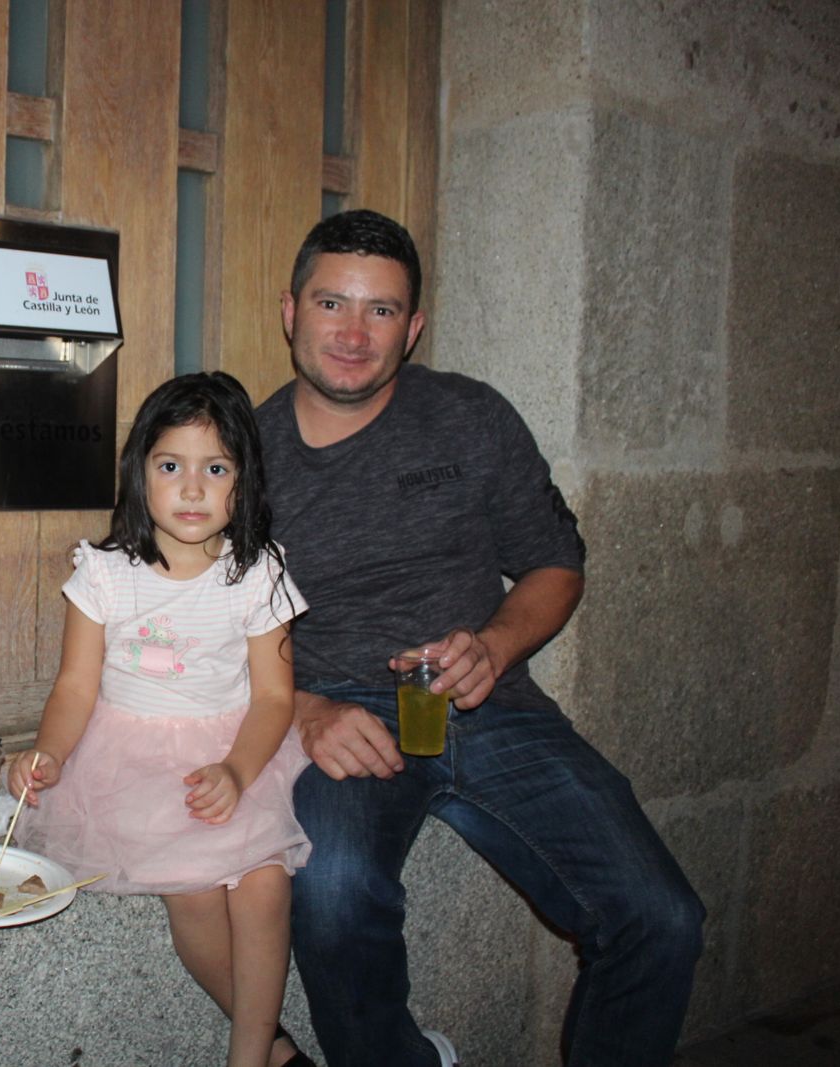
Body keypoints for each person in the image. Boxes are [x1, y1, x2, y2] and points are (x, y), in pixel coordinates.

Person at [257, 209, 706, 1067]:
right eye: (332, 303)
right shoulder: (243, 453)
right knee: (332, 890)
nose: (354, 333)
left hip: (490, 700)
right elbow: (195, 632)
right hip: (340, 718)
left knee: (661, 915)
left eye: (382, 310)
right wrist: (303, 710)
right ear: (290, 311)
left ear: (414, 327)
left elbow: (554, 564)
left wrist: (497, 645)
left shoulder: (470, 416)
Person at [9, 372, 316, 1067]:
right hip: (134, 762)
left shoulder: (257, 571)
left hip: (236, 748)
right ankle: (276, 1047)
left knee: (265, 880)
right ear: (139, 471)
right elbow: (75, 685)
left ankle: (247, 1058)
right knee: (197, 887)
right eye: (171, 466)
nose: (192, 488)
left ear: (243, 481)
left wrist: (239, 769)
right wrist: (50, 752)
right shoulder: (107, 571)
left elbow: (274, 697)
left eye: (215, 469)